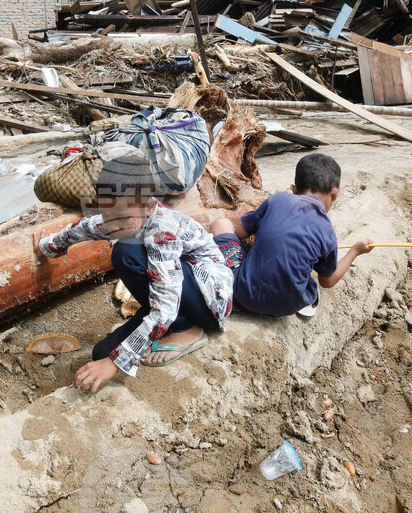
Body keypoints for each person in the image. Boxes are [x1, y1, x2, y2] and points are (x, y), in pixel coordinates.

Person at [35, 155, 234, 394]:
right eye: (109, 215)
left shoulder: (163, 233)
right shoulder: (121, 214)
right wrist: (49, 247)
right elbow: (87, 227)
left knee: (125, 252)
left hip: (208, 300)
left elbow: (166, 307)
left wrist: (115, 363)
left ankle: (187, 330)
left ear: (149, 206)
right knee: (102, 353)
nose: (114, 225)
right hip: (174, 288)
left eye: (122, 218)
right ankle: (164, 326)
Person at [210, 153, 372, 319]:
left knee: (220, 224)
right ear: (335, 193)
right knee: (305, 275)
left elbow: (239, 231)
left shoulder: (278, 199)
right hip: (287, 307)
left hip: (241, 294)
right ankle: (306, 302)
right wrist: (355, 251)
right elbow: (327, 281)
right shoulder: (328, 232)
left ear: (294, 189)